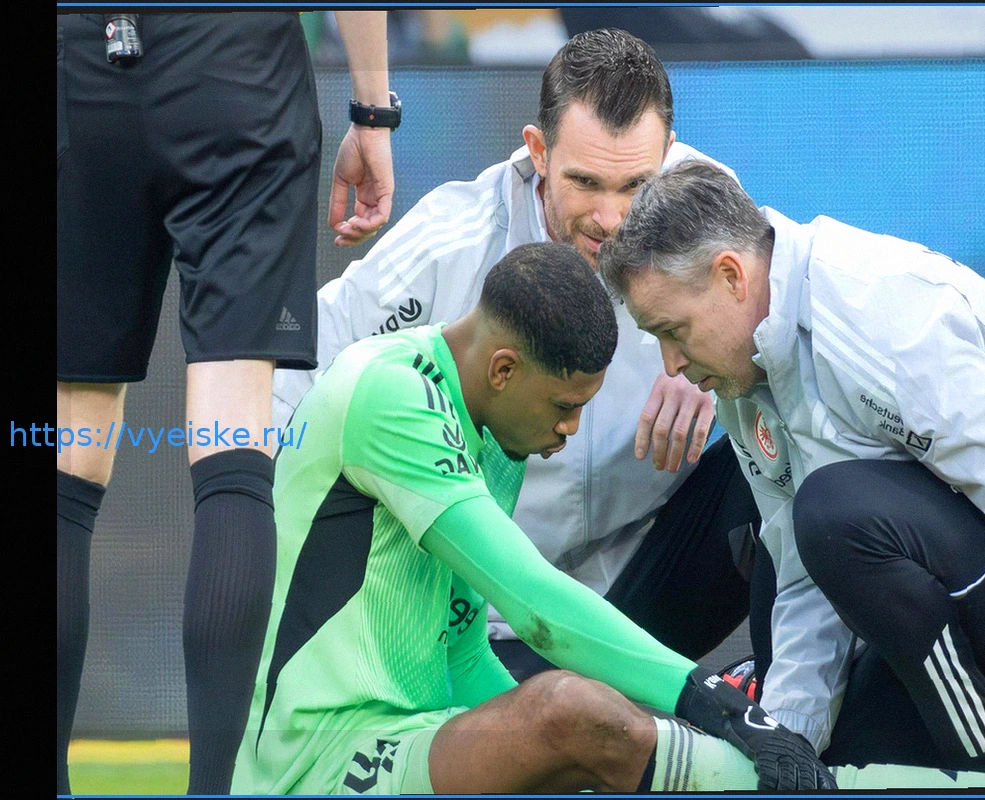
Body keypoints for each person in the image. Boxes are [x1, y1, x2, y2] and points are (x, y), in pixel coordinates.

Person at [231, 242, 837, 794]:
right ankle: (826, 786)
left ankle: (811, 781)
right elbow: (533, 602)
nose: (570, 429)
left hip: (416, 739)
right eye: (564, 406)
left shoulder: (493, 433)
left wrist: (566, 765)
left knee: (581, 731)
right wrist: (723, 705)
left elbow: (464, 657)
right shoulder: (392, 392)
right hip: (318, 762)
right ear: (503, 370)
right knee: (570, 710)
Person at [598, 161, 985, 786]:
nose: (671, 364)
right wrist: (787, 744)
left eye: (672, 332)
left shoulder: (884, 322)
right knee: (820, 733)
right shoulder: (743, 369)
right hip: (974, 598)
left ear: (731, 276)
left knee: (832, 507)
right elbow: (804, 573)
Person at [272, 28, 760, 680]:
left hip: (638, 585)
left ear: (666, 157)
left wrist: (714, 352)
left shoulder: (706, 218)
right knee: (542, 728)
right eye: (585, 182)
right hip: (483, 621)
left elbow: (785, 324)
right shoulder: (448, 247)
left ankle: (782, 707)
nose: (612, 218)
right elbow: (296, 372)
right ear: (538, 150)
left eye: (635, 185)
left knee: (793, 466)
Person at [56, 11, 395, 794]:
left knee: (66, 455)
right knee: (233, 442)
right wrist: (373, 112)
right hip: (236, 65)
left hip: (76, 60)